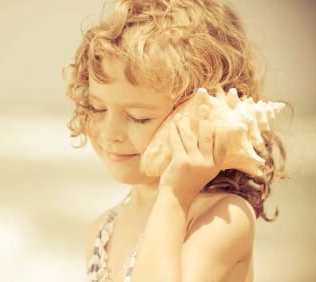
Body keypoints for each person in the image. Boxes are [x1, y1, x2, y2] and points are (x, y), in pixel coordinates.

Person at [63, 0, 286, 281]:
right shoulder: (101, 230)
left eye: (138, 116)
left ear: (196, 114)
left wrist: (174, 196)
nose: (110, 133)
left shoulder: (224, 218)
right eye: (98, 108)